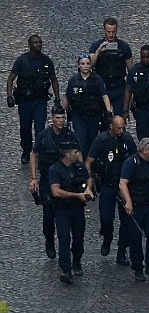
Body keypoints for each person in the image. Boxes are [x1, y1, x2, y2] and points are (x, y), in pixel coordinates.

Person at [86, 115, 137, 265]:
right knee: (106, 218)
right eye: (118, 128)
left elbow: (135, 158)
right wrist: (90, 182)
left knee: (126, 220)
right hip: (107, 184)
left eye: (123, 128)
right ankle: (107, 238)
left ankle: (122, 251)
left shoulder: (127, 139)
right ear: (111, 127)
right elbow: (89, 161)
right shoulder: (101, 141)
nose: (121, 131)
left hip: (124, 185)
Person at [30, 105, 78, 260]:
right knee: (48, 215)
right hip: (47, 179)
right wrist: (33, 177)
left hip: (66, 179)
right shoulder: (44, 136)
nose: (61, 121)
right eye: (58, 118)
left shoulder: (70, 135)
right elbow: (34, 154)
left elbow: (79, 154)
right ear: (52, 118)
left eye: (63, 118)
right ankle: (49, 241)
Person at [7, 34, 59, 164]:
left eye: (40, 42)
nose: (38, 44)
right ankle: (26, 150)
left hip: (39, 100)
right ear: (29, 45)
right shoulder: (21, 61)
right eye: (35, 43)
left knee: (40, 128)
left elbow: (54, 80)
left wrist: (57, 98)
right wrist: (9, 96)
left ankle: (38, 152)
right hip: (25, 101)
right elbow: (10, 79)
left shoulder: (46, 61)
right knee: (25, 128)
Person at [118, 137, 149, 283]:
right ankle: (138, 268)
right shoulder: (131, 163)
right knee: (135, 238)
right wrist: (128, 202)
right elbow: (122, 183)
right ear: (145, 151)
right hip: (136, 207)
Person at [48, 140, 92, 285]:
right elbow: (56, 191)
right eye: (75, 152)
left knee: (78, 237)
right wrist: (76, 195)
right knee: (64, 238)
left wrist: (87, 189)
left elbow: (88, 177)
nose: (77, 154)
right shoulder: (55, 169)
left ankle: (77, 261)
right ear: (67, 154)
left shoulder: (79, 166)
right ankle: (66, 269)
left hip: (77, 208)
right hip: (62, 209)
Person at [63, 53, 111, 156]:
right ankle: (82, 164)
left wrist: (108, 111)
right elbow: (68, 97)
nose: (85, 66)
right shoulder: (73, 80)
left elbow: (104, 95)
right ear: (78, 65)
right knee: (81, 141)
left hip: (93, 115)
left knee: (92, 140)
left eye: (87, 63)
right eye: (83, 63)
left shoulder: (97, 79)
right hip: (78, 115)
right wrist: (61, 111)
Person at [88, 17, 133, 124]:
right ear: (104, 31)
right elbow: (90, 66)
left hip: (119, 86)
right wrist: (98, 52)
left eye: (113, 31)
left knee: (120, 119)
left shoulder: (124, 47)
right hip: (102, 86)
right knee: (102, 119)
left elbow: (131, 70)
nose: (111, 35)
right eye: (108, 32)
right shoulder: (95, 46)